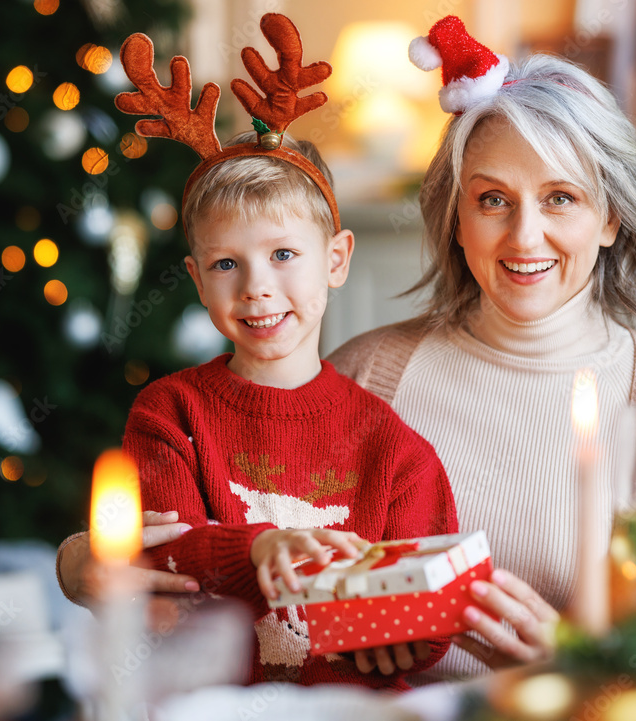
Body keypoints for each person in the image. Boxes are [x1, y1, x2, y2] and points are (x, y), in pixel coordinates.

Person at [58, 15, 636, 684]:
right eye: (492, 201)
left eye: (561, 198)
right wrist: (79, 561)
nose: (524, 237)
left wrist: (578, 667)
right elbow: (197, 536)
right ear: (455, 218)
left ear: (610, 217)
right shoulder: (369, 375)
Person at [58, 18, 459, 692]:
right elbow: (162, 555)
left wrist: (404, 638)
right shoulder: (169, 412)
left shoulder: (394, 448)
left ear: (336, 260)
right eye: (225, 264)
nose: (257, 288)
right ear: (195, 279)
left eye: (283, 254)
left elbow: (429, 599)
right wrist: (257, 546)